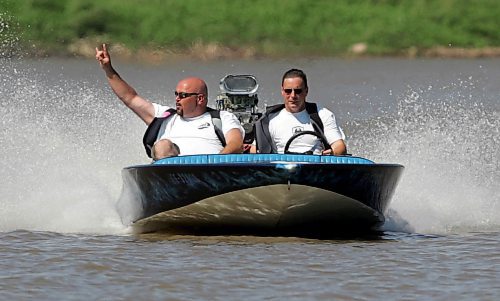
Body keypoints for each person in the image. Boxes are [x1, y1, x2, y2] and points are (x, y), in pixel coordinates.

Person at [95, 44, 244, 160]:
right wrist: (108, 69)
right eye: (176, 94)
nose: (177, 99)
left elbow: (235, 144)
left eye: (183, 95)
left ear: (200, 99)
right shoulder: (164, 117)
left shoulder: (221, 118)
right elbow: (130, 98)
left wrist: (215, 164)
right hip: (169, 176)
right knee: (162, 146)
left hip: (212, 173)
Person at [252, 68, 347, 155]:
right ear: (282, 91)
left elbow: (340, 147)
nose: (293, 95)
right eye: (288, 91)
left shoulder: (322, 114)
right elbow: (256, 149)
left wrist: (332, 152)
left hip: (315, 169)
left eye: (298, 91)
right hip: (280, 170)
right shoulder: (269, 119)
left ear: (306, 91)